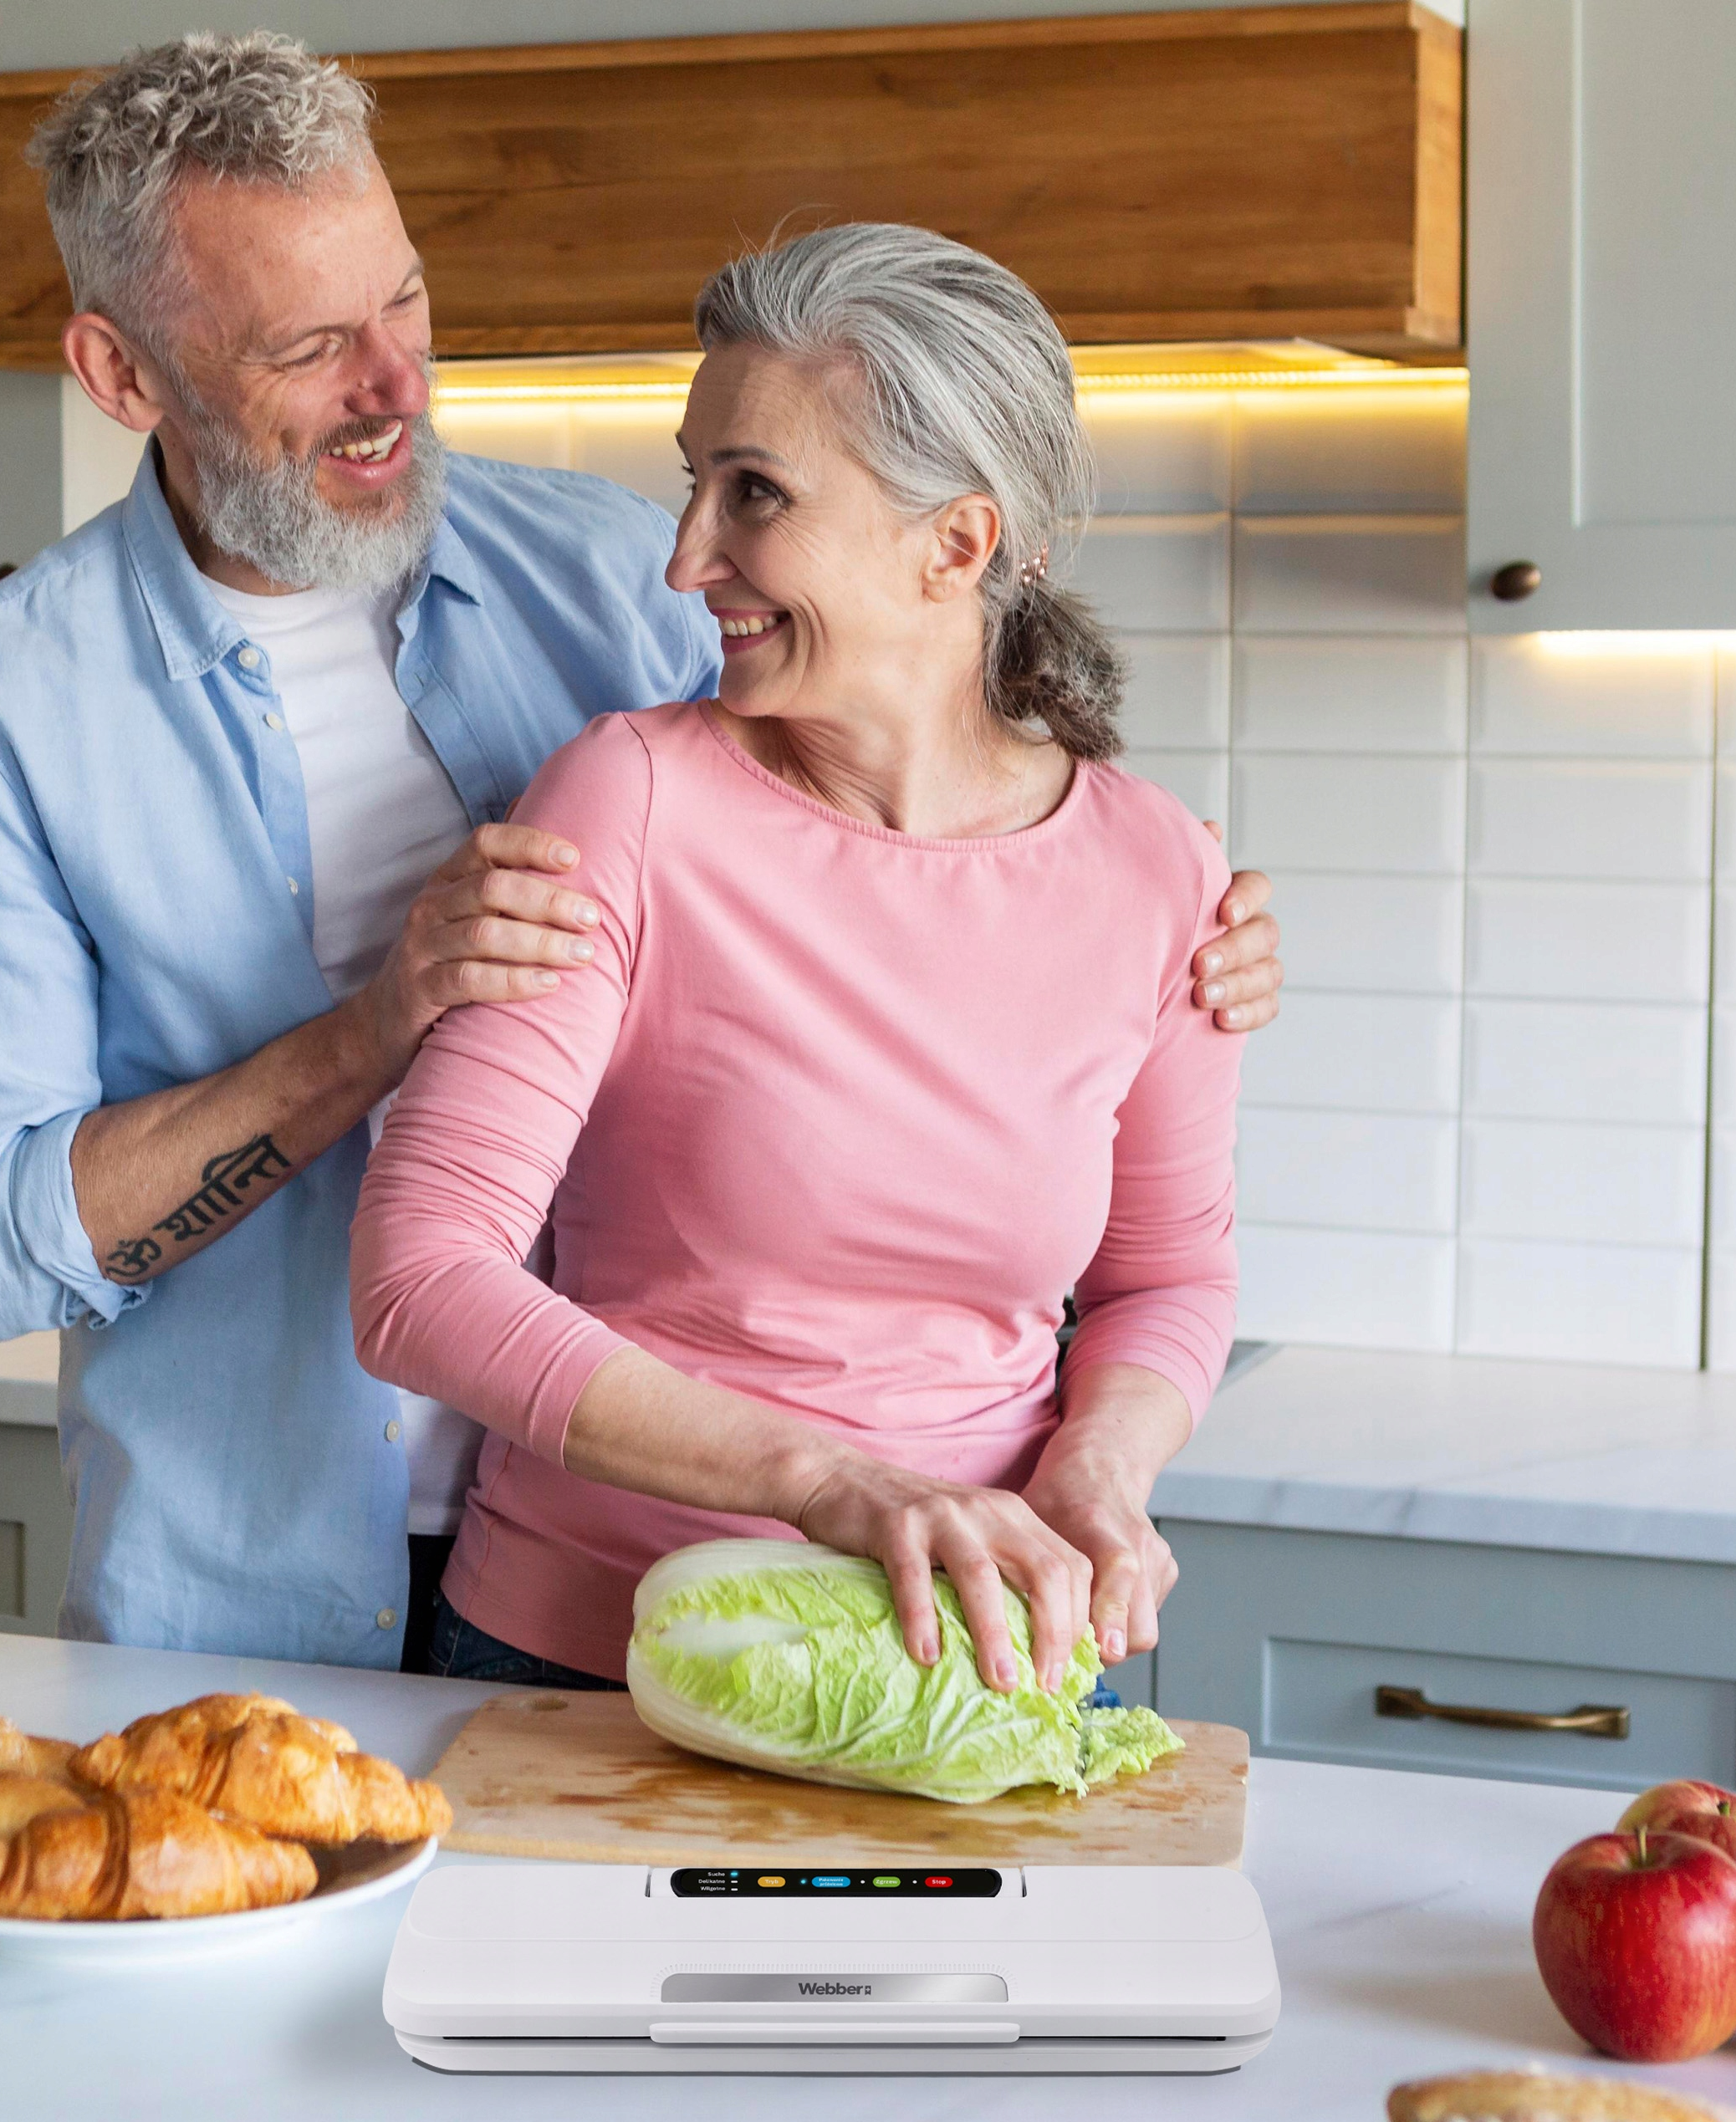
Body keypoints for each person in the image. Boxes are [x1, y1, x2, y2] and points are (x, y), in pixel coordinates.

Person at [0, 36, 1282, 1672]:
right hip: (258, 1580)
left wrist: (1164, 922)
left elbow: (875, 792)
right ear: (121, 375)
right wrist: (370, 1023)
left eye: (402, 303)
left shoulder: (619, 578)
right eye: (312, 345)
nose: (396, 384)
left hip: (680, 1558)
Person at [352, 225, 1250, 1696]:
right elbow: (421, 1277)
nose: (687, 556)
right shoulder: (629, 800)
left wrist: (1098, 1469)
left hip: (976, 1664)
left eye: (753, 494)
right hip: (598, 1663)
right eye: (693, 480)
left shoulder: (1156, 868)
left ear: (954, 544)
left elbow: (1168, 1281)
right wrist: (835, 1486)